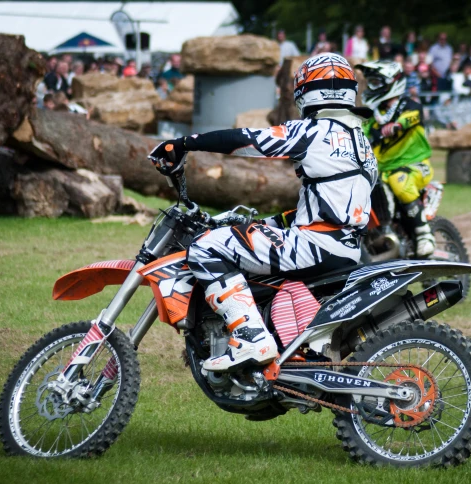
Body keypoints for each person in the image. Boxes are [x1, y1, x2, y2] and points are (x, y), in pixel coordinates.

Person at [148, 53, 377, 372]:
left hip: (314, 247)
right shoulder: (362, 143)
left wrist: (184, 143)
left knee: (204, 248)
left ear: (306, 92)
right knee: (243, 242)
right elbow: (330, 206)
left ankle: (250, 336)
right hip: (346, 249)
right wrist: (264, 224)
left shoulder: (313, 132)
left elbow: (247, 140)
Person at [355, 60, 435, 257]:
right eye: (370, 82)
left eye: (375, 82)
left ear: (391, 83)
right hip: (384, 170)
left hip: (414, 165)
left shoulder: (410, 106)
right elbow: (361, 132)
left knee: (399, 181)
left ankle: (424, 234)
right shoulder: (374, 115)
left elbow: (412, 117)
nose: (372, 86)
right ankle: (382, 232)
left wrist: (397, 125)